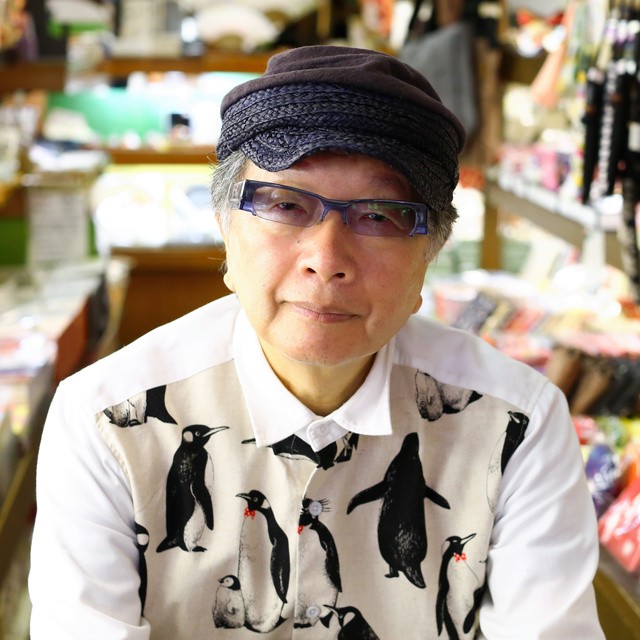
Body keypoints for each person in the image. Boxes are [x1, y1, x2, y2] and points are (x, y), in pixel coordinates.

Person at [29, 45, 604, 639]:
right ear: (225, 228)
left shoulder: (517, 425)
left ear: (429, 256)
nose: (326, 260)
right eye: (285, 204)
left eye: (380, 216)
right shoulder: (104, 421)